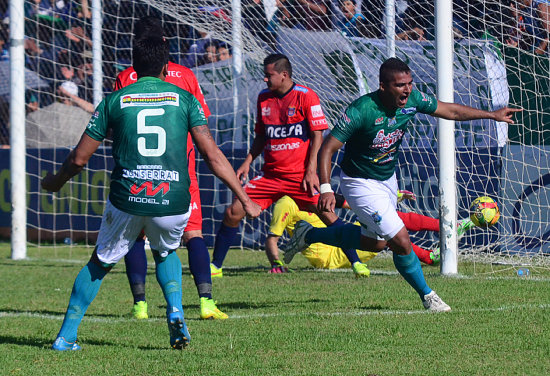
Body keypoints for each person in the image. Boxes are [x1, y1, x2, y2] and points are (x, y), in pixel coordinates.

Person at [43, 36, 261, 351]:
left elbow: (79, 158)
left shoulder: (115, 100)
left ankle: (66, 337)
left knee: (99, 263)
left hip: (127, 197)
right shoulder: (185, 100)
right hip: (173, 198)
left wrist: (57, 181)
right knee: (166, 252)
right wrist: (244, 199)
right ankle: (174, 310)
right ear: (165, 66)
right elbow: (212, 156)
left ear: (133, 64)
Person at [285, 57, 520, 312]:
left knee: (373, 243)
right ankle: (428, 297)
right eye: (400, 85)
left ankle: (308, 234)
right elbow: (327, 149)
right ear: (383, 86)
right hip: (359, 184)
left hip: (387, 179)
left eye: (409, 83)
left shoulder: (413, 100)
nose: (407, 90)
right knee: (400, 239)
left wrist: (492, 115)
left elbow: (449, 111)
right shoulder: (361, 110)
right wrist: (327, 188)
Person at [210, 53, 370, 278]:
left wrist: (311, 170)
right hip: (270, 177)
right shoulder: (263, 98)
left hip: (300, 177)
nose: (265, 79)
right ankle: (215, 266)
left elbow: (318, 135)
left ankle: (355, 263)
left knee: (328, 214)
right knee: (233, 211)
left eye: (269, 75)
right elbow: (261, 136)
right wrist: (247, 161)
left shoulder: (306, 96)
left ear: (284, 75)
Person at [114, 16, 227, 321]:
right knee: (193, 234)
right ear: (165, 43)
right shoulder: (187, 76)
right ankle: (205, 302)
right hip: (180, 170)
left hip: (139, 173)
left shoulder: (126, 77)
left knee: (136, 237)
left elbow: (119, 127)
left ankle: (140, 305)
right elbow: (201, 119)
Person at [270, 193, 474, 273]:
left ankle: (444, 232)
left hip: (341, 244)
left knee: (387, 222)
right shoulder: (286, 203)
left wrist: (394, 196)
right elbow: (273, 238)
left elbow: (347, 208)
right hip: (329, 256)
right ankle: (435, 246)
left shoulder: (311, 195)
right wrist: (276, 264)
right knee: (387, 229)